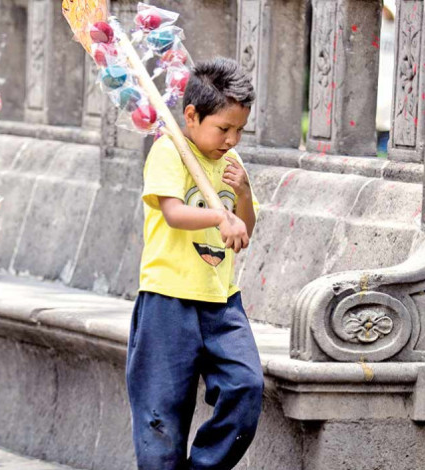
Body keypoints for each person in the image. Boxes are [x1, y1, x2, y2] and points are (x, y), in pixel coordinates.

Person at [127, 57, 264, 470]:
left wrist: (243, 195)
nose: (232, 140)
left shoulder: (232, 166)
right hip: (168, 300)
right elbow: (174, 212)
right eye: (224, 128)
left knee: (246, 385)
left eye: (240, 130)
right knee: (160, 415)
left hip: (221, 301)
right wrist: (219, 216)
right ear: (191, 115)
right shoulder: (169, 149)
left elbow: (246, 229)